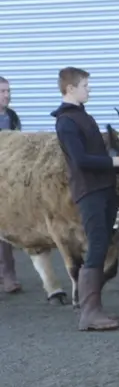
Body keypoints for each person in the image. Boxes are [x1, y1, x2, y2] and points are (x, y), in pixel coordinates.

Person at [51, 67, 119, 331]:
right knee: (96, 247)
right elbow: (81, 160)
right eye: (85, 85)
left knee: (102, 246)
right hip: (89, 191)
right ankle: (89, 314)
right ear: (70, 89)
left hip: (102, 189)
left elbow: (96, 157)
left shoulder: (81, 117)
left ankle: (95, 309)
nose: (88, 89)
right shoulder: (66, 121)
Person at [0, 76, 24, 294]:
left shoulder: (12, 117)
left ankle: (8, 275)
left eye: (8, 91)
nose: (7, 95)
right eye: (2, 91)